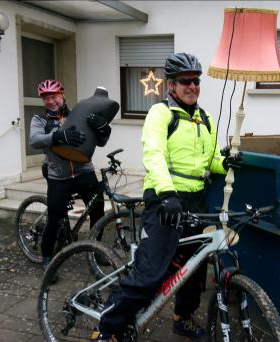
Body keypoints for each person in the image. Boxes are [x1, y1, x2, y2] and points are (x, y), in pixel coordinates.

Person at [91, 53, 242, 341]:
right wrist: (167, 192)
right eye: (186, 81)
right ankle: (106, 328)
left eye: (196, 81)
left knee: (194, 268)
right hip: (165, 199)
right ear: (172, 85)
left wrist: (227, 162)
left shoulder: (206, 118)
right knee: (149, 274)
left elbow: (210, 162)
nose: (193, 86)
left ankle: (182, 318)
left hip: (195, 200)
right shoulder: (161, 114)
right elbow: (154, 154)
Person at [29, 79, 112, 271]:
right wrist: (57, 136)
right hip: (59, 176)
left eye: (54, 96)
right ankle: (47, 257)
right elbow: (34, 140)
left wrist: (104, 129)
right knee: (55, 217)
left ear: (62, 96)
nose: (51, 101)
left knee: (98, 209)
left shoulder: (77, 114)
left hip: (84, 171)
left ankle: (95, 250)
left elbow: (100, 142)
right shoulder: (39, 120)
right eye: (46, 98)